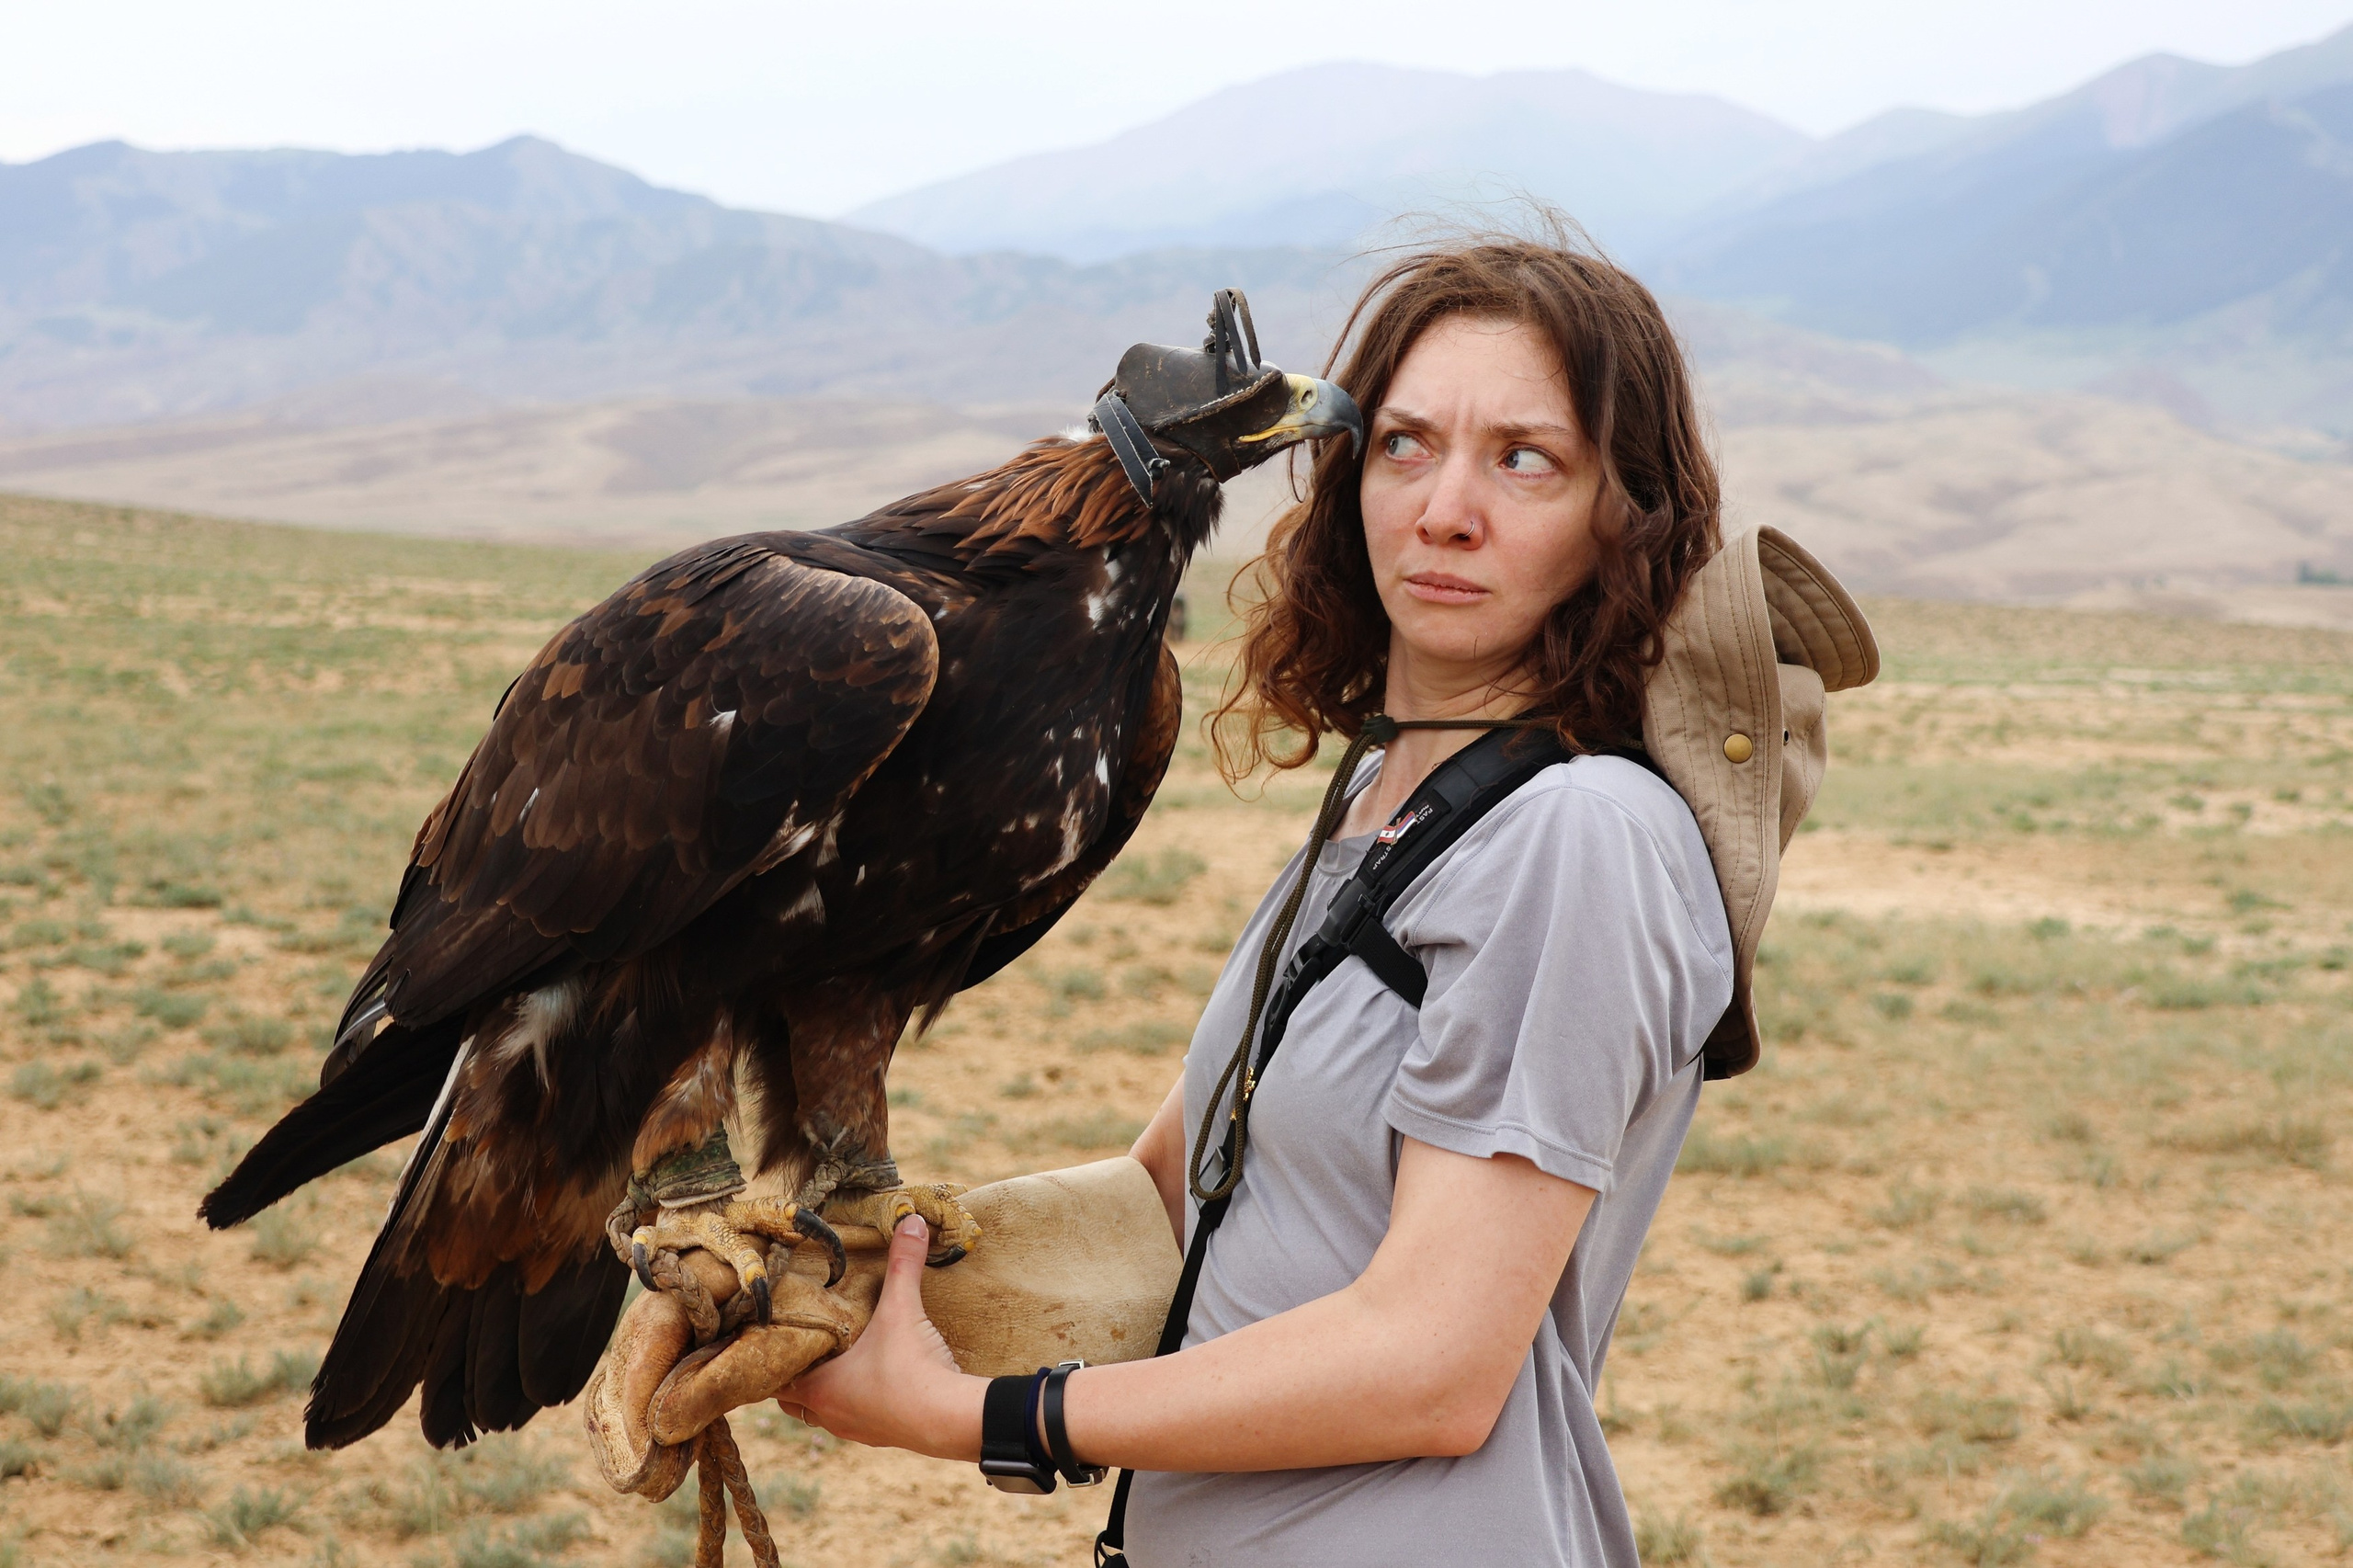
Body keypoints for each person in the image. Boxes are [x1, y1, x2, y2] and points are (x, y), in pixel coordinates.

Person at [784, 234, 1748, 1567]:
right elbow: (1167, 1205)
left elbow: (1432, 1363)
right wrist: (834, 1269)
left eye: (1526, 458)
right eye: (1407, 445)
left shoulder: (1575, 835)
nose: (1447, 507)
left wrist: (988, 1417)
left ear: (1620, 513)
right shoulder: (1384, 804)